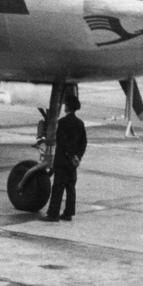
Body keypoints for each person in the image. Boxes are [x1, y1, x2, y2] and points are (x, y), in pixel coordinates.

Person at [44, 90, 87, 223]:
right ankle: (68, 213)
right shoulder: (80, 123)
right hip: (73, 163)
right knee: (70, 188)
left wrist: (70, 155)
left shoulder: (62, 122)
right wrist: (77, 157)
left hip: (63, 161)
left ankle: (53, 214)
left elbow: (62, 141)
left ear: (68, 106)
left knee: (58, 187)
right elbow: (84, 142)